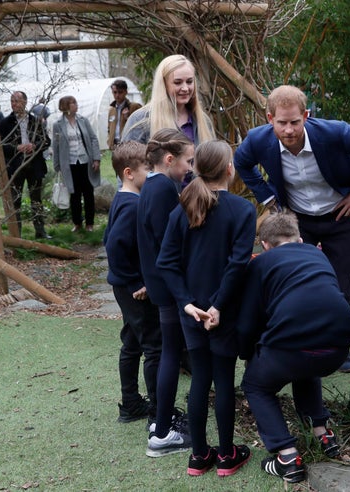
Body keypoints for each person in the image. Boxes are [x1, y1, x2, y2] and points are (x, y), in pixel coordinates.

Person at [234, 84, 350, 374]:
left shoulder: (334, 132)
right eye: (281, 123)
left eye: (294, 122)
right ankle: (297, 341)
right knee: (291, 282)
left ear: (306, 115)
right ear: (269, 119)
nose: (289, 130)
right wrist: (269, 199)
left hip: (338, 215)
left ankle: (340, 349)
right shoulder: (258, 140)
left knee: (340, 285)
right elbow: (242, 163)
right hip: (298, 218)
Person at [156, 140, 255, 477]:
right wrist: (218, 307)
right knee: (224, 380)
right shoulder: (242, 210)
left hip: (192, 312)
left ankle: (199, 456)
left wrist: (187, 304)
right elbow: (238, 264)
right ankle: (227, 455)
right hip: (223, 312)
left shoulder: (180, 208)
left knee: (200, 378)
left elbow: (166, 263)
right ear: (230, 169)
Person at [238, 210, 350, 484]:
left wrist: (248, 353)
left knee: (256, 385)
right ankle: (322, 433)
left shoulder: (262, 262)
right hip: (338, 346)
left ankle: (286, 455)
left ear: (264, 245)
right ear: (300, 239)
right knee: (307, 361)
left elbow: (248, 320)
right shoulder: (318, 254)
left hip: (291, 348)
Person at [137, 128, 195, 458]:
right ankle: (162, 432)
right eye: (187, 161)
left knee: (169, 353)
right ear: (170, 159)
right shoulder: (162, 190)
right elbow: (167, 246)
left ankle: (162, 420)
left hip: (160, 282)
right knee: (169, 354)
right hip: (167, 285)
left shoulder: (156, 186)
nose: (190, 168)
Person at [103, 141, 161, 427]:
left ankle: (131, 402)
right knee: (153, 345)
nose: (151, 174)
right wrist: (136, 281)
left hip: (123, 285)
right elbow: (113, 246)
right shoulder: (134, 205)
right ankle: (157, 411)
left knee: (132, 341)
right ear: (129, 172)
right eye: (147, 169)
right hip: (133, 288)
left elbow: (107, 239)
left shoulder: (122, 199)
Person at [122, 54, 214, 147]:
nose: (185, 88)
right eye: (178, 82)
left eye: (189, 81)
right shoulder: (141, 121)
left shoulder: (203, 122)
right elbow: (127, 160)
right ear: (163, 85)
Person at [0, 91, 52, 239]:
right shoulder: (5, 122)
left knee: (36, 199)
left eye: (17, 101)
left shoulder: (35, 121)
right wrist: (17, 148)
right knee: (15, 200)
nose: (13, 104)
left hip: (34, 164)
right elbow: (0, 146)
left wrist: (34, 146)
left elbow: (47, 141)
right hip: (16, 166)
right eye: (12, 101)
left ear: (25, 102)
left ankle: (40, 232)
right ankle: (17, 235)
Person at [51, 95, 102, 232]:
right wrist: (57, 166)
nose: (76, 105)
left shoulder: (83, 120)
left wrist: (96, 158)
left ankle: (90, 223)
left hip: (85, 162)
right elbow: (55, 146)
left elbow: (93, 139)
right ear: (66, 106)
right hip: (69, 164)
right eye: (73, 103)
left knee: (88, 193)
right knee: (74, 194)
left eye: (75, 102)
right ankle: (77, 223)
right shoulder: (58, 125)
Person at [107, 79, 142, 151]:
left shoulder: (134, 107)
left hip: (129, 145)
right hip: (115, 146)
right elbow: (109, 128)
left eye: (120, 92)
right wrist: (109, 142)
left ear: (126, 92)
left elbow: (141, 126)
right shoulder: (112, 110)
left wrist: (127, 118)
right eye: (115, 92)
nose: (117, 95)